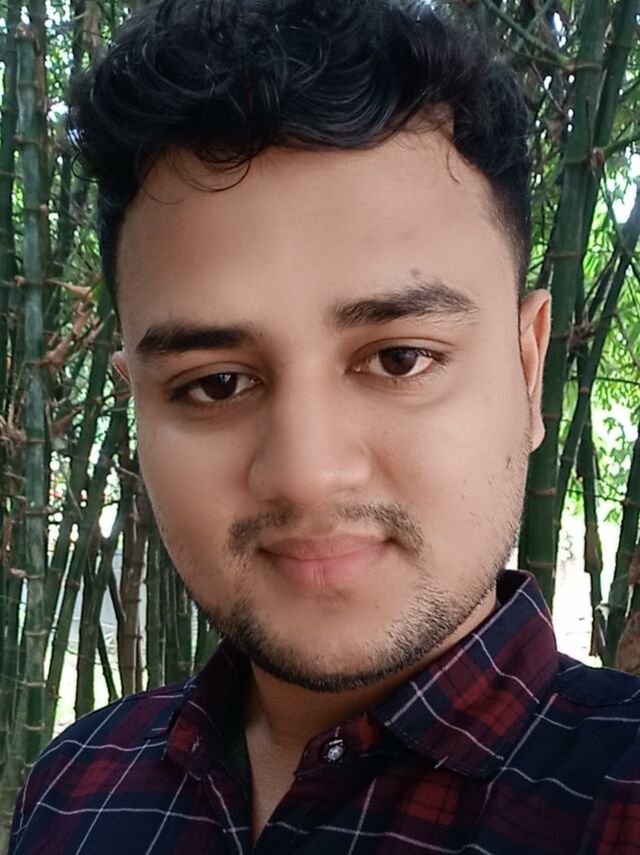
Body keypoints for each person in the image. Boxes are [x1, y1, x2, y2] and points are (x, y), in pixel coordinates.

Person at [9, 0, 640, 852]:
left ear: (528, 372)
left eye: (400, 359)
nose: (306, 473)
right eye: (216, 383)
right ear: (138, 404)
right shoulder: (75, 788)